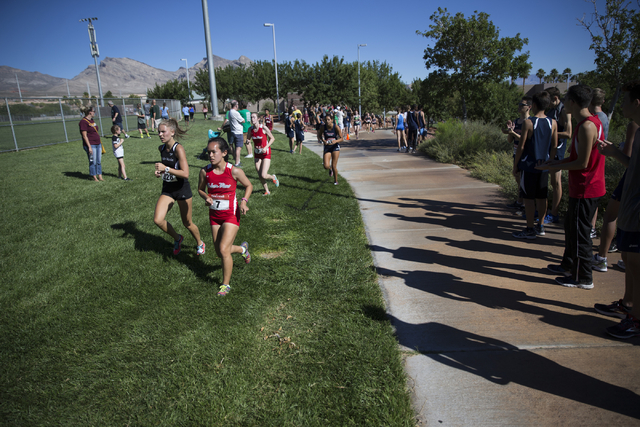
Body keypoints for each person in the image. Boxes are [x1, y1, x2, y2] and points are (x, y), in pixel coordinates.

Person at [538, 85, 604, 289]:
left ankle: (583, 277)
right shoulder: (586, 123)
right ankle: (568, 265)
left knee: (580, 234)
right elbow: (577, 157)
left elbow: (582, 163)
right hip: (582, 187)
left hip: (587, 188)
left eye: (566, 99)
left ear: (573, 102)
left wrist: (557, 166)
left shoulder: (586, 126)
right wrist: (554, 164)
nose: (563, 102)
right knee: (571, 228)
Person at [593, 80, 640, 338]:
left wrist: (616, 155)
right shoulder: (639, 130)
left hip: (637, 208)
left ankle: (636, 319)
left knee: (636, 265)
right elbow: (633, 166)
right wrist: (614, 153)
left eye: (624, 100)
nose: (620, 105)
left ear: (637, 103)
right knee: (630, 263)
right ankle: (629, 306)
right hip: (632, 205)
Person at [198, 136, 253, 296]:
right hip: (214, 215)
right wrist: (206, 197)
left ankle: (225, 285)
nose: (211, 155)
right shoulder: (205, 171)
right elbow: (200, 189)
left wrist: (243, 201)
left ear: (224, 152)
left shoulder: (234, 171)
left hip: (231, 215)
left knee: (223, 249)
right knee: (220, 251)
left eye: (214, 152)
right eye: (209, 152)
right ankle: (243, 249)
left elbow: (248, 185)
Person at [153, 118, 206, 257]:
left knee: (187, 223)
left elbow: (185, 173)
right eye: (159, 132)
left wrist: (166, 168)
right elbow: (168, 169)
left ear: (172, 132)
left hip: (182, 190)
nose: (160, 134)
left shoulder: (179, 149)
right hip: (168, 190)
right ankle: (178, 238)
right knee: (158, 220)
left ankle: (200, 243)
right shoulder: (162, 148)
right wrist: (161, 172)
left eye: (163, 132)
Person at [592, 121, 639, 272]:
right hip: (632, 180)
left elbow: (629, 159)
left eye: (626, 99)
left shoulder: (635, 125)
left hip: (632, 181)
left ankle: (602, 257)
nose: (623, 103)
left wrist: (615, 151)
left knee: (612, 215)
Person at [511, 91, 557, 239]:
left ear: (534, 105)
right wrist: (550, 161)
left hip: (529, 166)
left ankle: (530, 228)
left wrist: (516, 165)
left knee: (529, 198)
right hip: (544, 165)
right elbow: (554, 146)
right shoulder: (553, 122)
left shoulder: (528, 122)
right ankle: (541, 226)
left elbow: (521, 146)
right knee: (542, 197)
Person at [544, 86, 573, 224]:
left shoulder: (564, 111)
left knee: (556, 182)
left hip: (558, 148)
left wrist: (549, 133)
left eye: (549, 100)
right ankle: (547, 210)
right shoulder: (551, 110)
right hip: (549, 148)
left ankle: (554, 213)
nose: (547, 103)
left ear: (555, 98)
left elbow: (568, 133)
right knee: (550, 182)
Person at [503, 96, 532, 209]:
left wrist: (513, 133)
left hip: (525, 154)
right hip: (516, 152)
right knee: (517, 177)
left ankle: (524, 203)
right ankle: (520, 201)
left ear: (529, 107)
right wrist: (510, 131)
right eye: (519, 105)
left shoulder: (530, 122)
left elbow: (526, 139)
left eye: (522, 105)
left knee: (523, 179)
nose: (519, 107)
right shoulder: (516, 121)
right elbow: (510, 141)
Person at [589, 88, 610, 237]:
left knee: (591, 195)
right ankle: (592, 227)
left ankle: (591, 227)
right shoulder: (604, 117)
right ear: (602, 101)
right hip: (599, 159)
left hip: (593, 159)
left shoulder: (595, 119)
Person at [248, 113, 279, 194]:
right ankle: (267, 191)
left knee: (263, 175)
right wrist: (247, 141)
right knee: (260, 175)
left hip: (266, 153)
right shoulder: (250, 129)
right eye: (251, 117)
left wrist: (265, 147)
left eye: (254, 117)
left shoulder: (263, 128)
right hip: (257, 153)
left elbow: (272, 138)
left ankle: (273, 177)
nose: (252, 119)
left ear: (258, 119)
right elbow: (248, 139)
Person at [79, 105, 103, 182]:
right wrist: (89, 147)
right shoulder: (83, 122)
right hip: (91, 145)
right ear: (90, 112)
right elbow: (84, 136)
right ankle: (94, 176)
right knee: (93, 161)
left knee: (98, 161)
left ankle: (100, 176)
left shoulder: (92, 120)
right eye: (93, 111)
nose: (94, 112)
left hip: (98, 143)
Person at [318, 114, 343, 185]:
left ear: (332, 120)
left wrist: (335, 141)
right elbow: (320, 135)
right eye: (326, 120)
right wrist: (323, 140)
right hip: (327, 147)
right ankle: (330, 169)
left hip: (335, 147)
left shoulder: (336, 127)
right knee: (326, 166)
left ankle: (335, 181)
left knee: (334, 165)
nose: (327, 121)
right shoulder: (323, 127)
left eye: (329, 119)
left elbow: (342, 138)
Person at [217, 100, 244, 167]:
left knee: (233, 146)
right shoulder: (235, 113)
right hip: (238, 132)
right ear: (236, 105)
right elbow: (243, 120)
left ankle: (238, 161)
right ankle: (237, 163)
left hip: (233, 131)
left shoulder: (229, 112)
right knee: (238, 148)